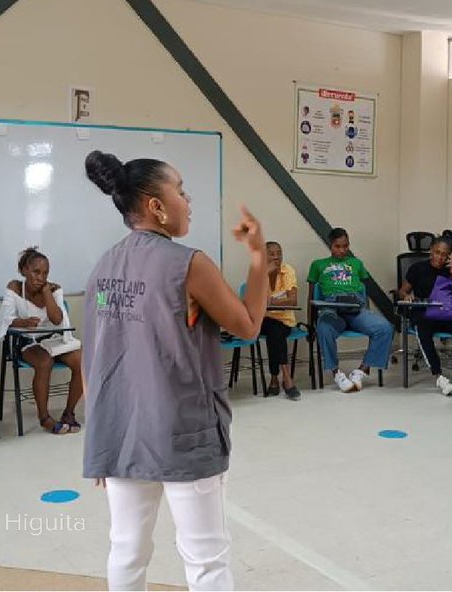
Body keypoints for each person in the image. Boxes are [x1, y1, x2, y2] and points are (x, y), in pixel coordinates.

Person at [82, 149, 268, 590]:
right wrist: (259, 258)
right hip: (183, 432)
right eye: (181, 190)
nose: (189, 200)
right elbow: (247, 325)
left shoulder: (103, 266)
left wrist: (100, 438)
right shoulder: (189, 263)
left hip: (120, 432)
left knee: (127, 551)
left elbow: (93, 358)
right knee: (206, 557)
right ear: (156, 206)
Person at [0, 247, 84, 433]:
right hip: (26, 342)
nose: (41, 277)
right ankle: (44, 417)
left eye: (45, 273)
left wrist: (48, 294)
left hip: (53, 339)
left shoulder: (54, 289)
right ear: (24, 270)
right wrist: (23, 322)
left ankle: (69, 413)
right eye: (36, 272)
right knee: (44, 362)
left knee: (83, 361)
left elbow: (57, 320)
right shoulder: (14, 287)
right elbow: (6, 320)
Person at [397, 232, 452, 396]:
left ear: (449, 256)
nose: (439, 257)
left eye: (444, 255)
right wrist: (407, 296)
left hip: (448, 314)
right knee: (422, 331)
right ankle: (439, 376)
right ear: (431, 250)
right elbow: (402, 291)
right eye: (437, 252)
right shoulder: (417, 268)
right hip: (425, 313)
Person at [306, 228, 394, 393]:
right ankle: (336, 373)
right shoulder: (318, 264)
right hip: (331, 310)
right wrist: (310, 323)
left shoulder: (356, 264)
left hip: (355, 309)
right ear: (330, 245)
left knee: (385, 328)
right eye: (338, 246)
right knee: (323, 328)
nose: (342, 250)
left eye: (345, 246)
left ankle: (362, 369)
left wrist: (366, 311)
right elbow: (311, 296)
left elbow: (364, 290)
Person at [260, 241, 301, 400]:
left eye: (279, 253)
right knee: (272, 329)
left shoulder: (288, 271)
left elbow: (293, 300)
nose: (276, 257)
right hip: (262, 321)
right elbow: (256, 301)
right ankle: (287, 378)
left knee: (275, 331)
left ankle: (275, 379)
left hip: (284, 321)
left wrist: (270, 302)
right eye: (271, 254)